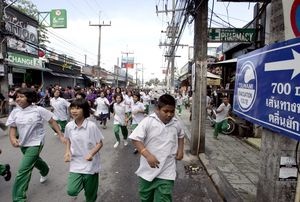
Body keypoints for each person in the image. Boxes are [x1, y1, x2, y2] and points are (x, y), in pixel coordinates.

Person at [6, 88, 65, 202]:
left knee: (23, 170)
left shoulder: (38, 110)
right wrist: (13, 138)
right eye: (17, 96)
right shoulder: (15, 112)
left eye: (22, 96)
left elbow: (52, 121)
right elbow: (12, 127)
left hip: (36, 142)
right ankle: (45, 169)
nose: (18, 98)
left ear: (29, 98)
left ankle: (18, 198)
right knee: (34, 160)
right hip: (23, 143)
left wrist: (60, 134)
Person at [129, 94, 184, 202]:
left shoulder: (176, 123)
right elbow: (135, 138)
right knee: (145, 199)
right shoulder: (148, 121)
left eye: (172, 111)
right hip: (147, 171)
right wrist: (147, 154)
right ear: (157, 109)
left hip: (167, 171)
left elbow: (181, 135)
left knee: (164, 198)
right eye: (166, 111)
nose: (169, 114)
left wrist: (181, 150)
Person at [64, 98, 104, 202]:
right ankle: (81, 184)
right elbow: (68, 139)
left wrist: (91, 153)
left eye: (78, 108)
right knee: (71, 190)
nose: (74, 111)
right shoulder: (69, 126)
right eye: (72, 108)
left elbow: (99, 143)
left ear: (85, 110)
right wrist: (67, 151)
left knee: (90, 194)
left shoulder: (91, 126)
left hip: (90, 164)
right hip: (76, 162)